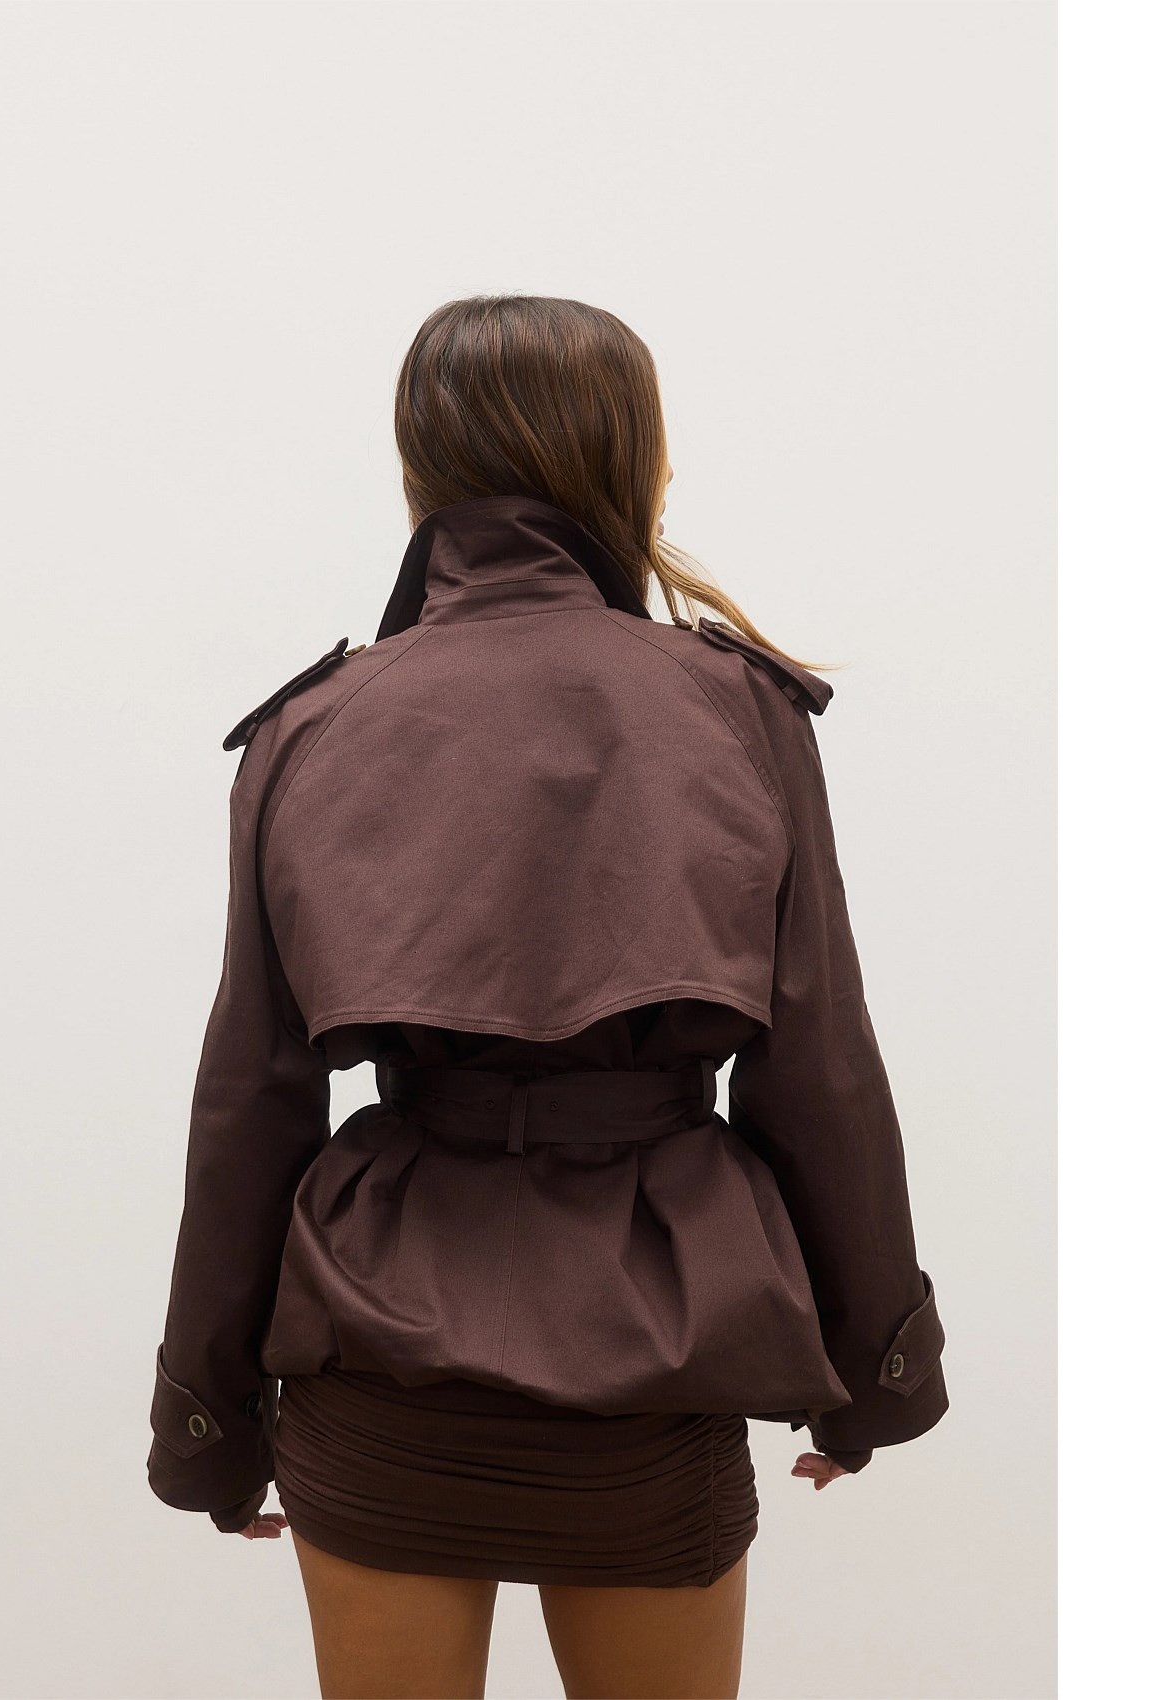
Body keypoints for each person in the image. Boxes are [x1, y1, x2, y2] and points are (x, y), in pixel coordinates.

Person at [145, 294, 948, 1700]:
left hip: (378, 1351)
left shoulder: (310, 726)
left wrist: (206, 1426)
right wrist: (876, 1370)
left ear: (419, 473)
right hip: (659, 1350)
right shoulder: (738, 709)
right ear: (631, 463)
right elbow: (818, 1069)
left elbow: (251, 1100)